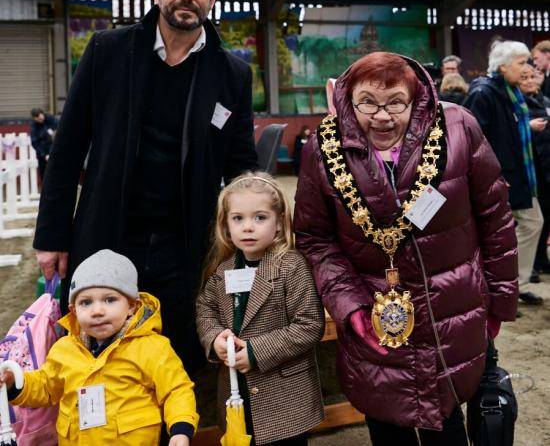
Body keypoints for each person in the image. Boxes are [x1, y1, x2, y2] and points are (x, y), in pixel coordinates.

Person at [32, 0, 257, 373]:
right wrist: (52, 235)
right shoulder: (107, 52)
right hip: (108, 232)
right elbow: (68, 149)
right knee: (101, 359)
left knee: (176, 358)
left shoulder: (232, 74)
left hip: (187, 243)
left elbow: (242, 166)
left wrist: (254, 234)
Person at [294, 52, 518, 446]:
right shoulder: (323, 146)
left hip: (450, 311)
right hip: (373, 321)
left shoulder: (458, 128)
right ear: (348, 99)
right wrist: (350, 305)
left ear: (416, 98)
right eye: (368, 102)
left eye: (396, 101)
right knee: (386, 423)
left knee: (446, 424)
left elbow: (496, 219)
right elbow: (315, 237)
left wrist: (498, 301)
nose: (382, 116)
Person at [0, 249, 199, 445]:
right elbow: (45, 386)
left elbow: (176, 390)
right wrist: (14, 383)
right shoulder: (64, 349)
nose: (97, 311)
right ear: (74, 310)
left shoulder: (152, 348)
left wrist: (180, 428)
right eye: (86, 302)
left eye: (109, 300)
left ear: (131, 306)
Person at [196, 171, 325, 446]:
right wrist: (215, 337)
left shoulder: (291, 267)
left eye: (260, 217)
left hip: (284, 400)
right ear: (226, 225)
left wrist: (255, 351)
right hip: (237, 393)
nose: (248, 227)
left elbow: (310, 324)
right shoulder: (225, 270)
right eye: (238, 218)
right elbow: (206, 308)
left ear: (278, 223)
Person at [465, 41, 544, 306]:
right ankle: (505, 288)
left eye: (527, 62)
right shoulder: (483, 93)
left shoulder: (509, 92)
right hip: (501, 178)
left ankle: (513, 285)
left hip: (518, 175)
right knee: (501, 235)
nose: (527, 68)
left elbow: (505, 129)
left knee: (531, 223)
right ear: (503, 66)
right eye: (521, 62)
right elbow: (474, 140)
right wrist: (491, 175)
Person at [518, 64, 550, 277]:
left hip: (547, 163)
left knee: (545, 215)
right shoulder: (518, 103)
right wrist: (528, 126)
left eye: (533, 76)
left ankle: (539, 259)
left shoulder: (544, 100)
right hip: (530, 167)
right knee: (531, 220)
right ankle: (528, 268)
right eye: (525, 77)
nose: (530, 81)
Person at [29, 108, 58, 181]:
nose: (41, 120)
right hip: (43, 154)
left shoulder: (51, 119)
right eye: (38, 119)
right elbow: (35, 142)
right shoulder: (34, 127)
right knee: (44, 175)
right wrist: (44, 154)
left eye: (42, 118)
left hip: (55, 150)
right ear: (34, 118)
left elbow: (59, 129)